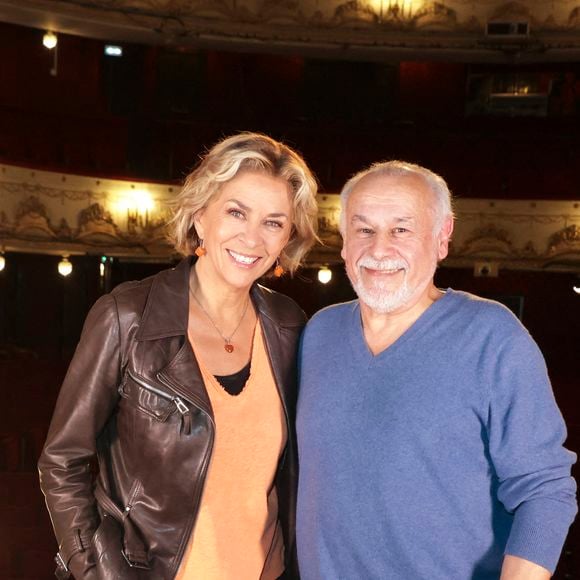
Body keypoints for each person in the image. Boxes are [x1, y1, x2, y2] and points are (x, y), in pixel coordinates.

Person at [38, 132, 318, 580]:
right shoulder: (127, 317)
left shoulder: (290, 325)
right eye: (235, 212)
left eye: (273, 222)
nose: (252, 237)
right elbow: (62, 462)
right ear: (200, 216)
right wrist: (94, 571)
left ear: (288, 236)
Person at [296, 160, 577, 579]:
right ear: (343, 241)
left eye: (401, 230)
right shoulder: (319, 332)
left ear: (442, 237)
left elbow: (545, 491)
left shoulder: (492, 335)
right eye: (364, 229)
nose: (378, 250)